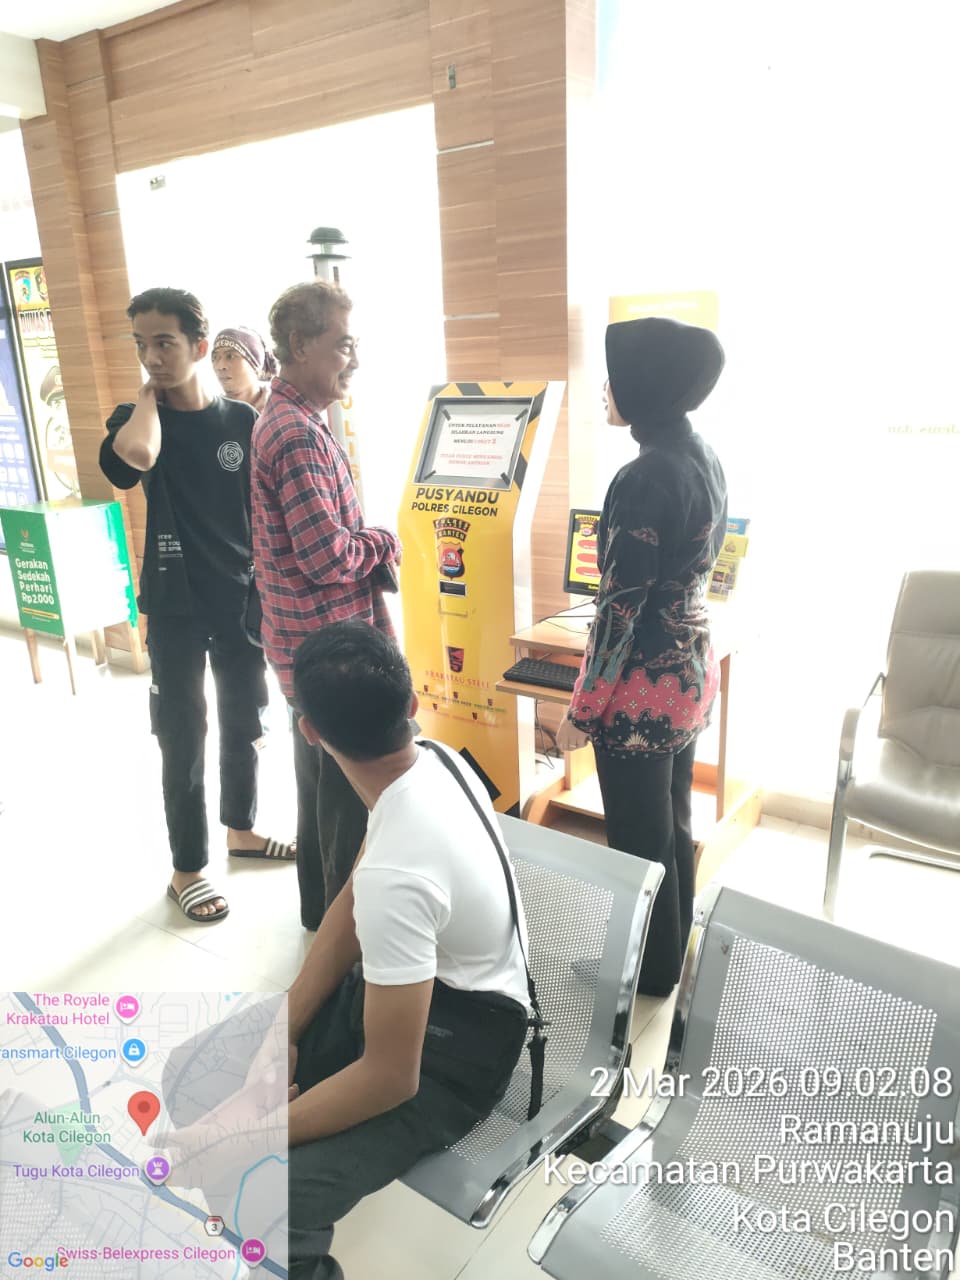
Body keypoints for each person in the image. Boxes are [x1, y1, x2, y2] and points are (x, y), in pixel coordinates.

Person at [285, 620, 532, 1280]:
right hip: (415, 1001)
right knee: (225, 1069)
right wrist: (284, 1024)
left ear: (309, 731)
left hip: (460, 1054)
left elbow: (393, 1077)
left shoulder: (398, 872)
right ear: (412, 704)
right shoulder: (435, 758)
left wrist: (259, 1135)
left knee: (269, 1197)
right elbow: (354, 902)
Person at [99, 287, 294, 925]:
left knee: (246, 719)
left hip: (239, 597)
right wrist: (149, 396)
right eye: (142, 344)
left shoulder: (241, 421)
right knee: (182, 732)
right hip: (175, 604)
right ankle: (187, 868)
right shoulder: (135, 420)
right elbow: (136, 460)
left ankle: (242, 829)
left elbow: (261, 510)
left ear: (199, 345)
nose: (152, 356)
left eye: (165, 343)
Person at [557, 317, 728, 996]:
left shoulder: (642, 478)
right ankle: (670, 953)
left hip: (637, 692)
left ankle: (645, 974)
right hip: (687, 676)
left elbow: (618, 610)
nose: (605, 388)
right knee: (673, 823)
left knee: (635, 840)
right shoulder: (702, 454)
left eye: (615, 374)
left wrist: (581, 709)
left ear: (644, 384)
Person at [251, 280, 400, 930]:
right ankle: (346, 945)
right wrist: (384, 540)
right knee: (346, 799)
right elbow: (327, 557)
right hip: (330, 654)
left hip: (299, 646)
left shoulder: (285, 418)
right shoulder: (298, 436)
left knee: (316, 782)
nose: (354, 360)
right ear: (300, 344)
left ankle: (319, 913)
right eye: (343, 345)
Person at [211, 325, 278, 413]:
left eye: (230, 356)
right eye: (215, 357)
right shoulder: (211, 413)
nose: (220, 366)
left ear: (254, 364)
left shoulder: (279, 410)